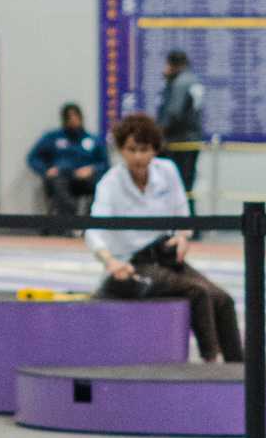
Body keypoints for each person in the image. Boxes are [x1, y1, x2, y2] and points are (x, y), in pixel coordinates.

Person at [86, 112, 242, 363]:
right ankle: (211, 364)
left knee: (223, 300)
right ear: (121, 150)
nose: (138, 156)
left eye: (144, 149)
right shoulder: (109, 184)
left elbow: (183, 216)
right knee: (197, 292)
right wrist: (110, 262)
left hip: (166, 258)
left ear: (155, 149)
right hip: (133, 263)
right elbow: (93, 230)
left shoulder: (168, 172)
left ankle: (239, 370)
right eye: (131, 149)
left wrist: (182, 238)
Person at [26, 102, 108, 220]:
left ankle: (89, 223)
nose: (73, 120)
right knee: (59, 184)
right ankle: (68, 224)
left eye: (76, 116)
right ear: (64, 119)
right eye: (69, 117)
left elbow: (105, 163)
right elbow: (32, 158)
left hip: (84, 179)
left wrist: (92, 169)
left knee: (100, 185)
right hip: (61, 177)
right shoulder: (52, 137)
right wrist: (45, 170)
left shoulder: (93, 139)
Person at [155, 49, 205, 211]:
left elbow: (174, 113)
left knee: (177, 183)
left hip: (178, 141)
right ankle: (192, 223)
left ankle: (183, 223)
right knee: (187, 184)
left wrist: (159, 135)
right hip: (192, 140)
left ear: (173, 65)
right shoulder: (194, 80)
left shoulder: (180, 83)